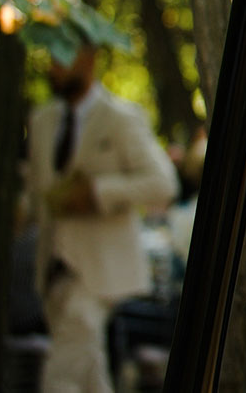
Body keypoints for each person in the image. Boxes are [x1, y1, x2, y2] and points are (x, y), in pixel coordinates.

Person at [25, 43, 178, 392]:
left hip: (100, 271)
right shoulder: (42, 120)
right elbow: (37, 194)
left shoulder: (121, 118)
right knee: (88, 372)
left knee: (61, 377)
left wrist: (98, 193)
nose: (54, 67)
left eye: (62, 57)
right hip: (54, 270)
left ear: (88, 57)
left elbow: (162, 183)